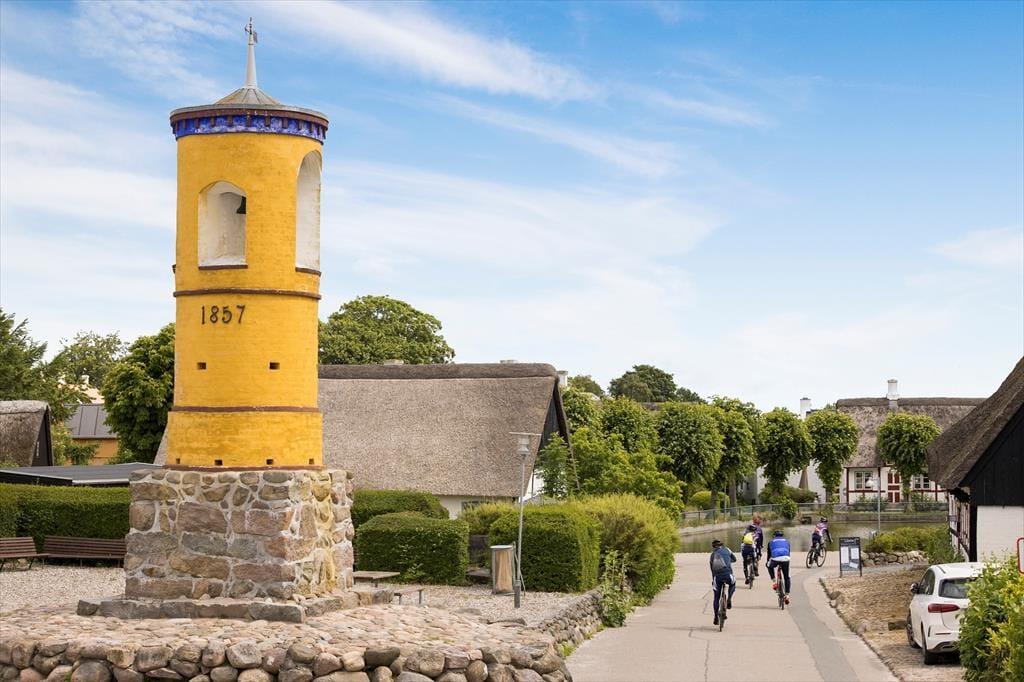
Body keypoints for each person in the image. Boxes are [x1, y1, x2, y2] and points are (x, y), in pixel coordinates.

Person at [709, 539, 737, 625]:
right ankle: (729, 599)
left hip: (717, 577)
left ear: (713, 547)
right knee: (733, 583)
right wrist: (728, 560)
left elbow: (712, 570)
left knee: (716, 597)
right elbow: (734, 559)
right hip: (728, 574)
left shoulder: (712, 555)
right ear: (722, 545)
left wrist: (713, 580)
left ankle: (715, 617)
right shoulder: (727, 550)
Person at [766, 529, 791, 604]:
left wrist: (768, 562)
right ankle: (787, 595)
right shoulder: (787, 541)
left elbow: (769, 554)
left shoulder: (771, 541)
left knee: (768, 565)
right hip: (786, 559)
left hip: (775, 559)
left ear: (774, 536)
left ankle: (774, 582)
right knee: (786, 577)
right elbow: (788, 552)